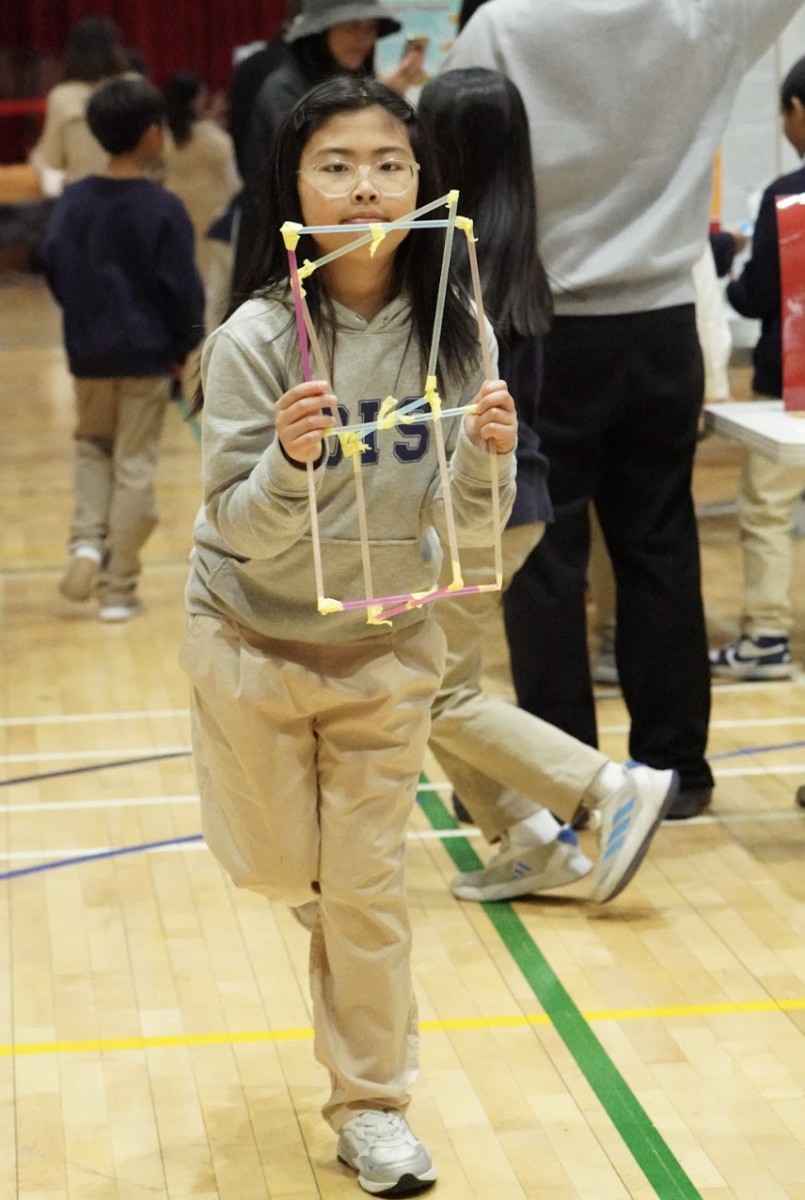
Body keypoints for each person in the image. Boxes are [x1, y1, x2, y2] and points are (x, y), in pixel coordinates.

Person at [443, 0, 804, 821]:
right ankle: (676, 770)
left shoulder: (502, 24)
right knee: (659, 545)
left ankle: (560, 777)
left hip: (539, 324)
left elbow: (447, 136)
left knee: (543, 555)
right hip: (659, 324)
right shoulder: (696, 19)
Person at [417, 67, 679, 902]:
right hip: (511, 498)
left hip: (479, 500)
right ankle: (529, 837)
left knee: (428, 688)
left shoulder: (452, 255)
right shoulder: (506, 240)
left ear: (437, 148)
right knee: (426, 683)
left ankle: (606, 789)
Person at [44, 77, 205, 622]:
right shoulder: (162, 207)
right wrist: (188, 349)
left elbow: (55, 268)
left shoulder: (72, 200)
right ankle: (118, 587)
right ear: (152, 135)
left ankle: (86, 542)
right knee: (135, 465)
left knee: (92, 447)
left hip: (87, 355)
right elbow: (182, 288)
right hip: (145, 356)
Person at [710, 54, 805, 681]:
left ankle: (769, 635)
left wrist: (732, 269)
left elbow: (756, 296)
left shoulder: (788, 194)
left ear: (798, 112)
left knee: (770, 508)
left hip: (793, 383)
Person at [233, 0, 426, 296]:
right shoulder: (282, 90)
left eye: (370, 28)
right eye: (351, 26)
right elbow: (291, 181)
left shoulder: (355, 85)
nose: (363, 39)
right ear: (320, 32)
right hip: (288, 256)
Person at [29, 16, 130, 197]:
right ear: (115, 50)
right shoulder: (135, 87)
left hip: (85, 204)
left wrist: (36, 158)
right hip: (134, 199)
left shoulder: (62, 97)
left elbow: (51, 160)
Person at [162, 71, 240, 282]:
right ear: (195, 100)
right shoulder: (212, 138)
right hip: (211, 204)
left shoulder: (165, 135)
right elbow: (232, 176)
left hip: (176, 200)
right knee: (210, 269)